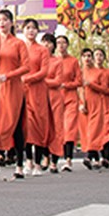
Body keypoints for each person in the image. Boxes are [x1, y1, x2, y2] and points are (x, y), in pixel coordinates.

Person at [0, 9, 29, 178]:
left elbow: (26, 67)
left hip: (13, 88)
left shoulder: (18, 43)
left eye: (5, 19)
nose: (2, 23)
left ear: (11, 23)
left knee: (14, 123)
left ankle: (20, 165)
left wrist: (7, 76)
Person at [20, 19, 51, 176]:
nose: (31, 31)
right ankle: (27, 161)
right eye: (28, 28)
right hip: (21, 91)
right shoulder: (20, 47)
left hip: (37, 92)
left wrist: (28, 78)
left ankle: (38, 163)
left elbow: (44, 71)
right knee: (25, 126)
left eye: (34, 28)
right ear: (23, 30)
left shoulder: (42, 50)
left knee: (38, 126)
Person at [80, 48, 109, 170]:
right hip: (90, 105)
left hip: (104, 104)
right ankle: (94, 157)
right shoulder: (84, 71)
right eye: (96, 55)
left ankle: (104, 157)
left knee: (106, 131)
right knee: (91, 130)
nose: (98, 57)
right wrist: (82, 103)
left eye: (101, 55)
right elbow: (80, 89)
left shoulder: (106, 73)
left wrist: (92, 85)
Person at [52, 35, 82, 171]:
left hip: (70, 98)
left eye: (64, 43)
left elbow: (79, 81)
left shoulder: (73, 61)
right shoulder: (51, 61)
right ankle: (53, 160)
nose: (61, 45)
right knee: (57, 129)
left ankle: (68, 159)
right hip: (55, 99)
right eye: (58, 43)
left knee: (69, 129)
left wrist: (66, 85)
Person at [41, 33, 65, 173]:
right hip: (40, 96)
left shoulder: (57, 62)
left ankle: (54, 160)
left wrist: (41, 81)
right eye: (44, 42)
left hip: (55, 97)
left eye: (50, 42)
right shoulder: (37, 60)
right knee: (43, 127)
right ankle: (45, 156)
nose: (47, 45)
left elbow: (58, 81)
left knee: (56, 127)